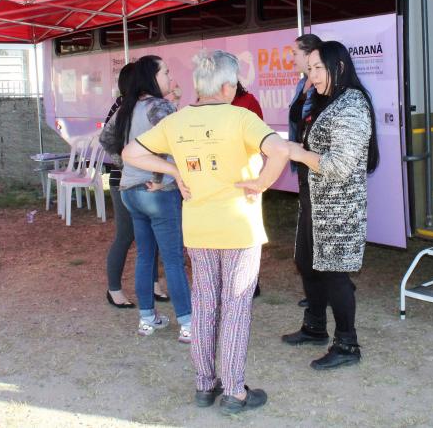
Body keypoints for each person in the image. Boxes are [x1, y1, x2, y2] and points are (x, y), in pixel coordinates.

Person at [123, 49, 290, 416]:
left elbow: (130, 153)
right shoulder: (241, 118)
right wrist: (261, 182)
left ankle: (204, 384)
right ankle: (234, 391)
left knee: (204, 305)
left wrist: (176, 173)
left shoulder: (178, 121)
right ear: (228, 85)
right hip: (238, 228)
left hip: (197, 228)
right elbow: (279, 149)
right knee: (235, 308)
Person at [281, 40, 379, 370]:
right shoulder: (326, 100)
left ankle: (347, 344)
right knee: (307, 262)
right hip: (315, 202)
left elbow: (340, 164)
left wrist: (298, 153)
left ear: (338, 67)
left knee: (335, 274)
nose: (312, 76)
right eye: (309, 70)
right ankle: (314, 326)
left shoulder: (351, 105)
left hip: (338, 208)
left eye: (317, 69)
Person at [107, 55, 192, 342]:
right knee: (172, 259)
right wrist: (160, 177)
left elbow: (107, 140)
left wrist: (128, 167)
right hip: (157, 193)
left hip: (129, 192)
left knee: (145, 255)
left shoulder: (127, 108)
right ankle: (188, 323)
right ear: (152, 78)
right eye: (166, 72)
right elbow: (177, 142)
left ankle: (147, 319)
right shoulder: (159, 106)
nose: (170, 77)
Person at [100, 63, 170, 309]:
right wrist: (125, 161)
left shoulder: (140, 106)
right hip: (125, 180)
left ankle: (153, 285)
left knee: (149, 236)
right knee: (126, 235)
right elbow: (105, 139)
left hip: (142, 179)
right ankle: (114, 289)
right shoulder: (124, 106)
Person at [289, 34, 322, 308]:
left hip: (315, 162)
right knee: (307, 227)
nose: (292, 58)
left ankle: (331, 286)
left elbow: (308, 119)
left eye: (295, 53)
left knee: (318, 228)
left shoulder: (324, 85)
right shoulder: (303, 83)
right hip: (303, 161)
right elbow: (295, 116)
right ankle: (316, 290)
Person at [231, 82, 264, 298]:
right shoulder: (207, 104)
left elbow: (260, 135)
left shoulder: (248, 101)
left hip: (244, 173)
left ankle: (251, 281)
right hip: (220, 179)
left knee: (247, 230)